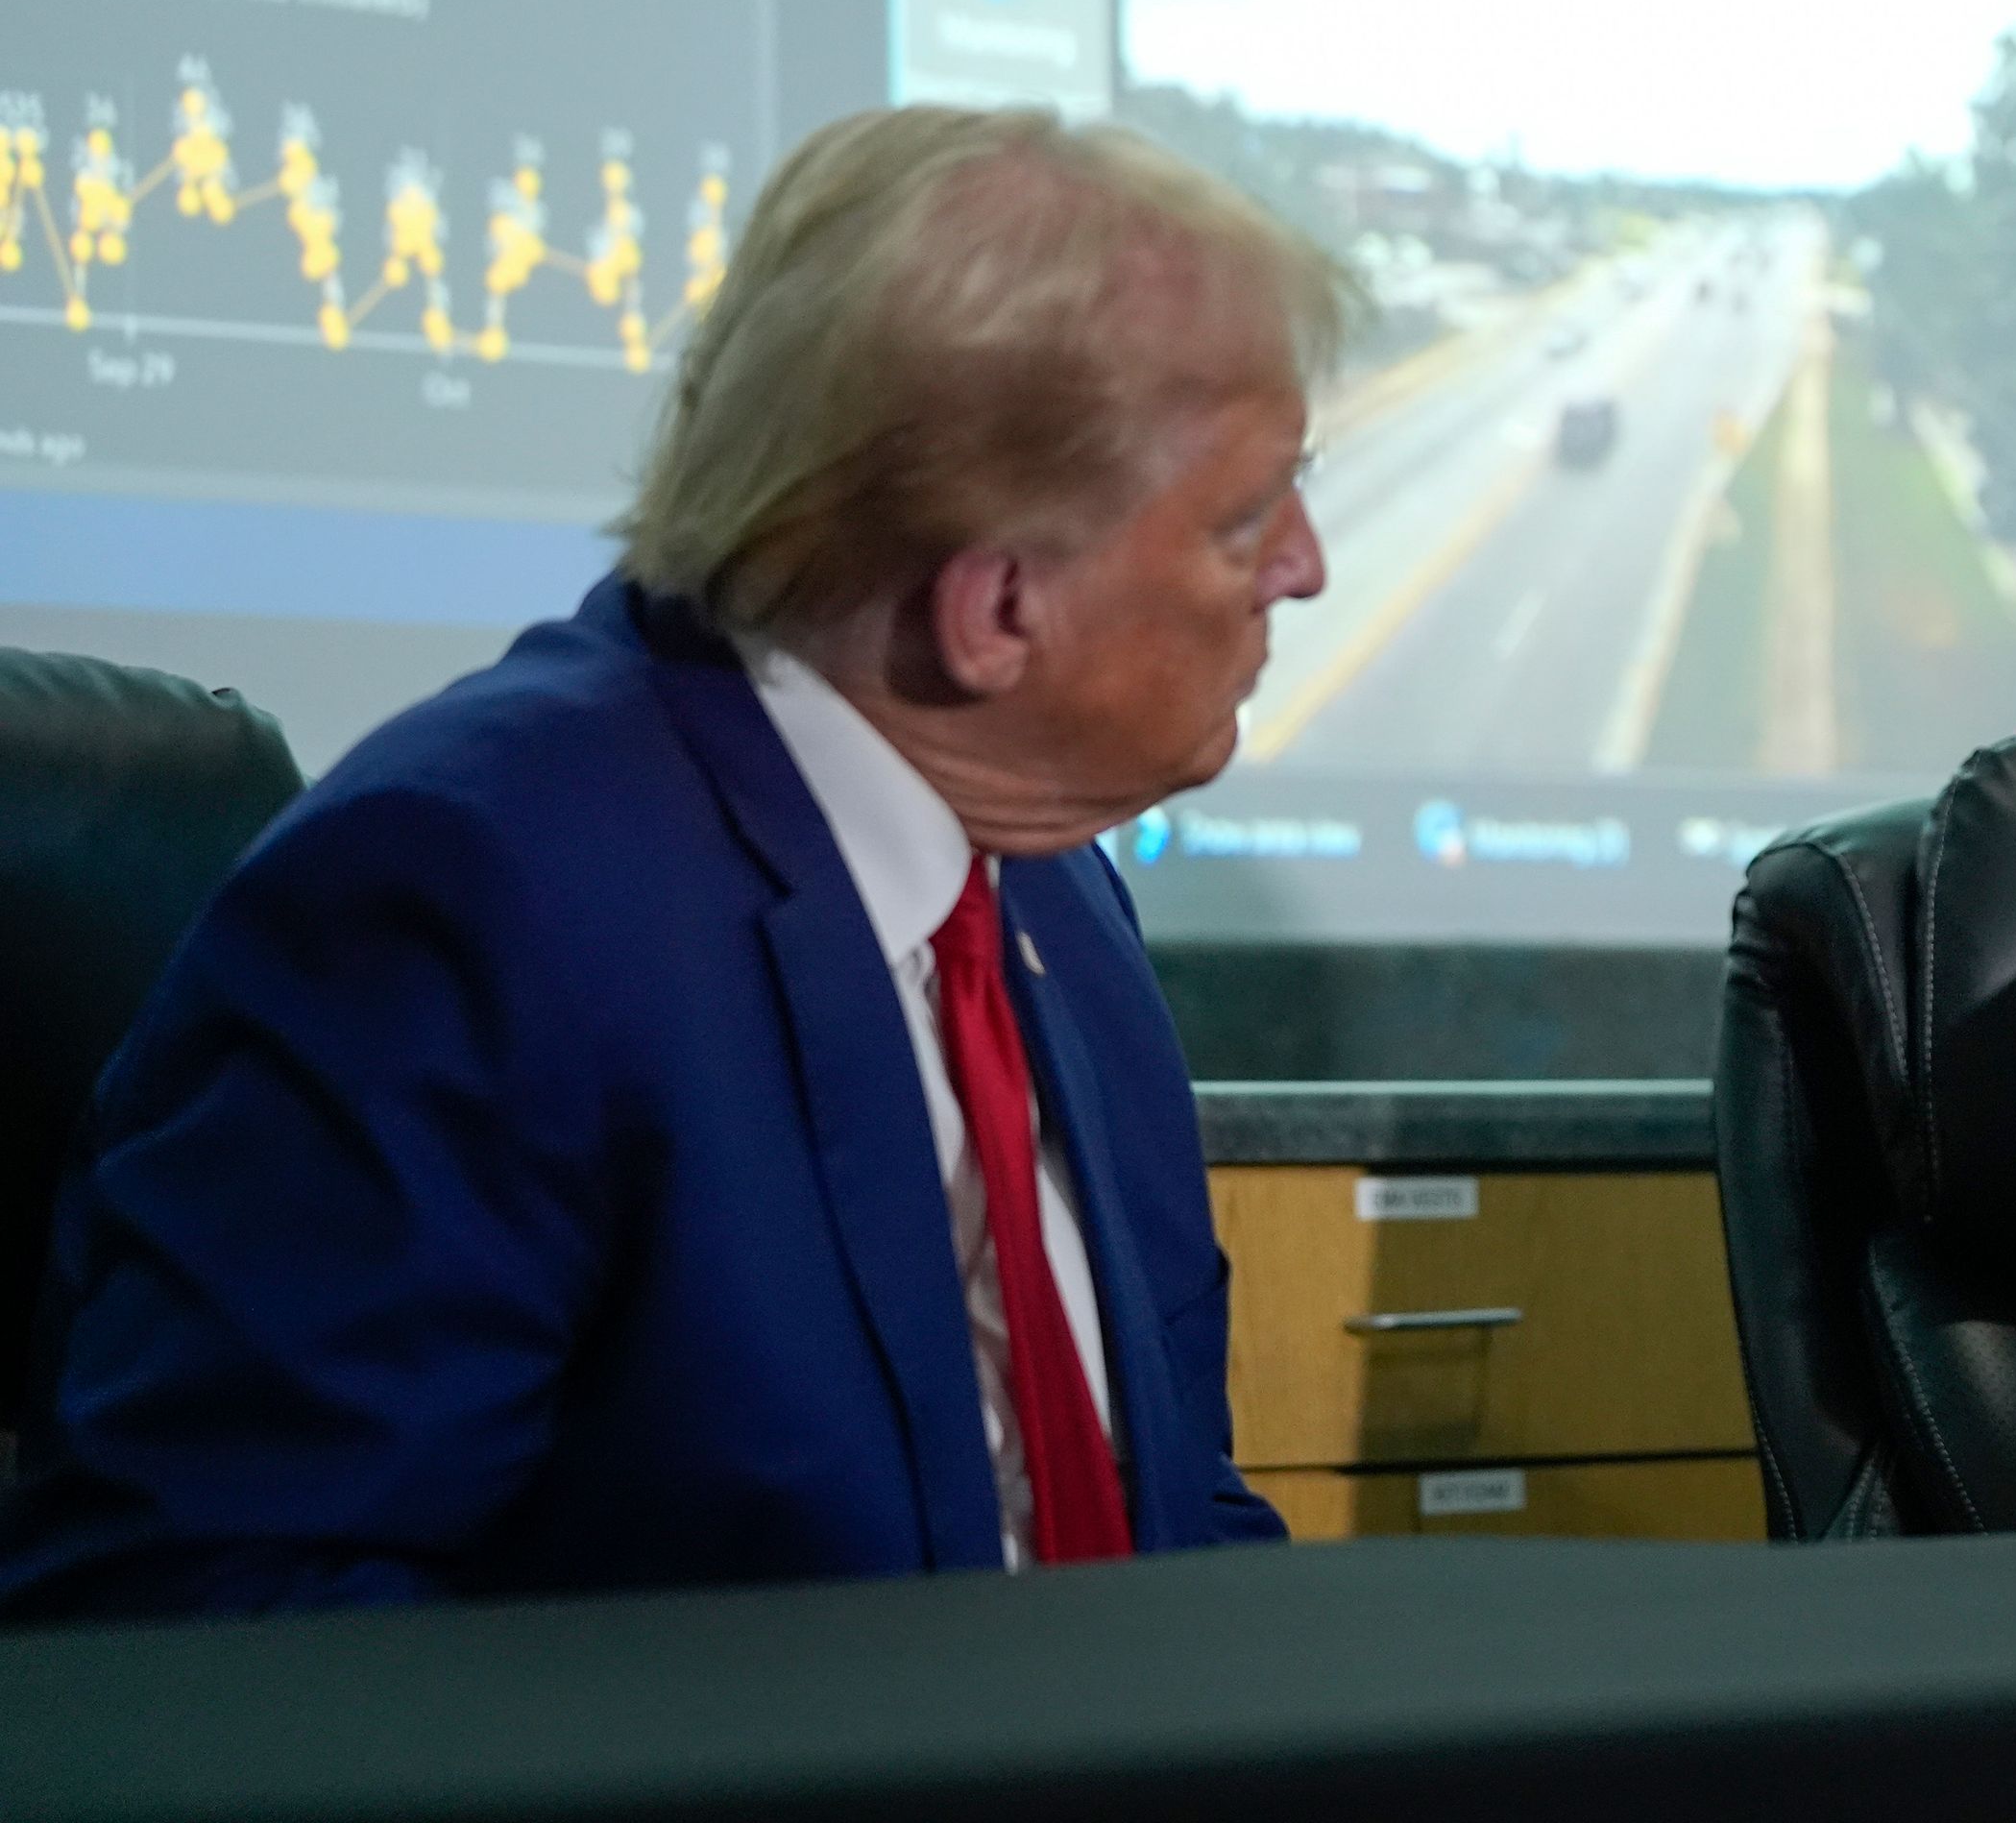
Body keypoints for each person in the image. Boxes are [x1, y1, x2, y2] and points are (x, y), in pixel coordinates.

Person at [2, 106, 1344, 1613]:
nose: (1306, 563)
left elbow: (1174, 1507)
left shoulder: (1051, 885)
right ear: (996, 613)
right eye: (1246, 518)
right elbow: (223, 1632)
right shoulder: (472, 895)